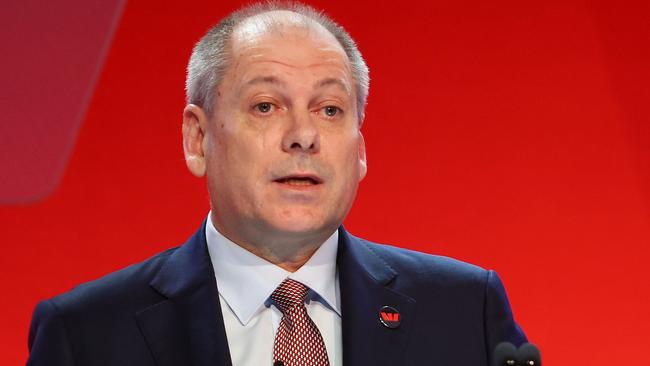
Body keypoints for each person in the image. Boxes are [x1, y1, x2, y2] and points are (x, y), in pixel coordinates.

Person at [27, 2, 526, 366]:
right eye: (266, 106)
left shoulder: (464, 310)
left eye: (330, 110)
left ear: (360, 150)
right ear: (198, 139)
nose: (304, 136)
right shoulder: (86, 336)